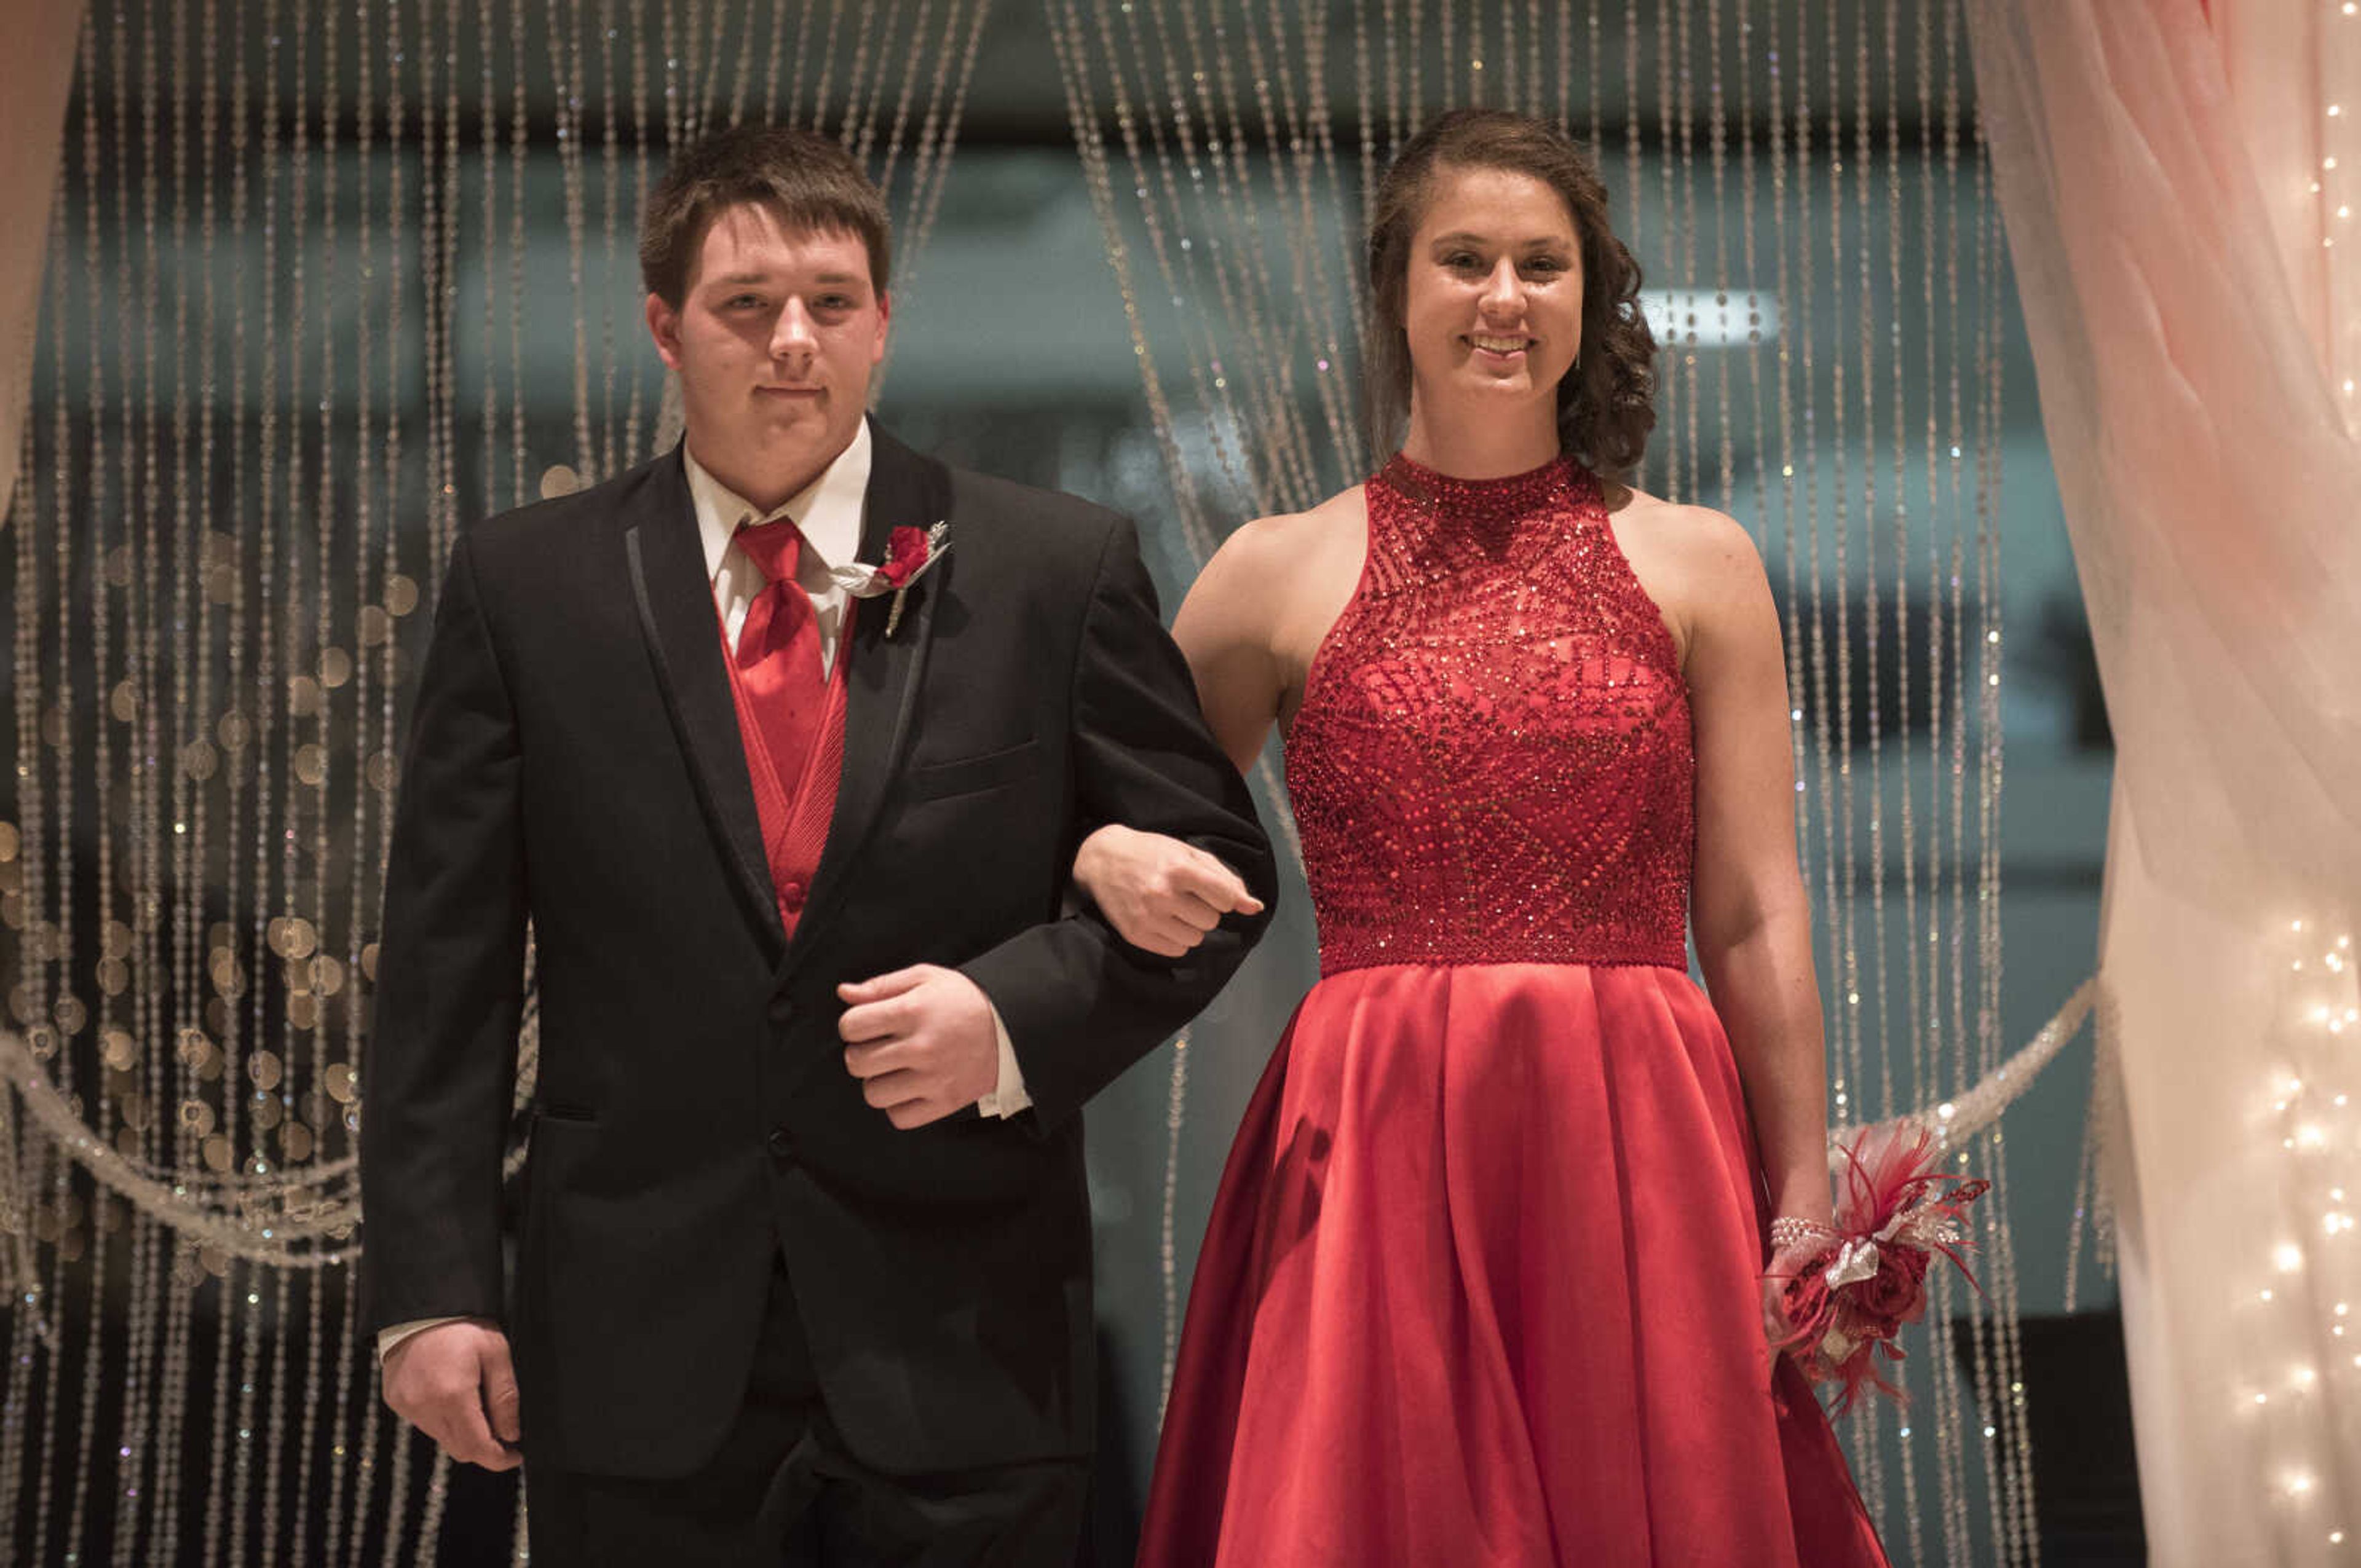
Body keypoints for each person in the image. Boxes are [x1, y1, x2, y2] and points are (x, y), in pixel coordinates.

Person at [358, 123, 1276, 1566]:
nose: (794, 342)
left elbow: (1223, 884)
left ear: (885, 323)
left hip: (965, 1331)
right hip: (631, 1338)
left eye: (833, 304)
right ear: (665, 328)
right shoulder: (524, 589)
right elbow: (443, 968)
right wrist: (433, 1289)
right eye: (745, 306)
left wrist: (1012, 1015)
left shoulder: (1052, 567)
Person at [1076, 110, 1893, 1566]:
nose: (1504, 297)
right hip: (1374, 1124)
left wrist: (1802, 1191)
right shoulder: (1269, 572)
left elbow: (1757, 915)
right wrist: (1088, 859)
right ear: (1397, 288)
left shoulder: (1702, 562)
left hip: (1639, 1129)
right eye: (1465, 260)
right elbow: (1107, 820)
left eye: (1542, 263)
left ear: (1589, 299)